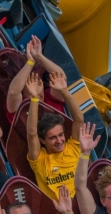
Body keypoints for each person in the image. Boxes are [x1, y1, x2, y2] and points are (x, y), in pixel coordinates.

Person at [25, 70, 86, 201]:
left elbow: (79, 119)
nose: (59, 141)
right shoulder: (40, 159)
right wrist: (35, 98)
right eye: (52, 138)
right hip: (61, 213)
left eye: (60, 135)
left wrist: (64, 90)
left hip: (84, 203)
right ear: (42, 140)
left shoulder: (73, 148)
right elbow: (31, 133)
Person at [5, 35, 66, 120]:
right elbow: (13, 92)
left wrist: (39, 57)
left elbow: (61, 78)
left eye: (39, 85)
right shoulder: (19, 110)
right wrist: (30, 62)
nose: (38, 93)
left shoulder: (50, 98)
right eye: (30, 93)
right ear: (22, 96)